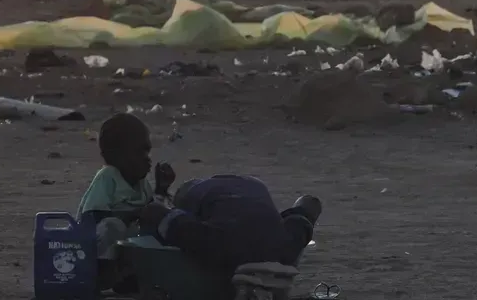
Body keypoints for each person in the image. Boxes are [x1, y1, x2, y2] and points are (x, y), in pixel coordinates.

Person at [138, 175, 321, 280]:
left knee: (166, 220)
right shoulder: (281, 244)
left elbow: (166, 220)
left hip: (225, 238)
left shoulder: (193, 199)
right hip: (269, 236)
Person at [76, 113, 175, 290]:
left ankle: (129, 276)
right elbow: (93, 216)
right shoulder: (108, 177)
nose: (147, 158)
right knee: (113, 226)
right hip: (96, 244)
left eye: (148, 152)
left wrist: (161, 189)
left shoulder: (142, 183)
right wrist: (133, 215)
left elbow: (154, 211)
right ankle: (103, 272)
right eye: (140, 152)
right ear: (116, 155)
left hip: (126, 242)